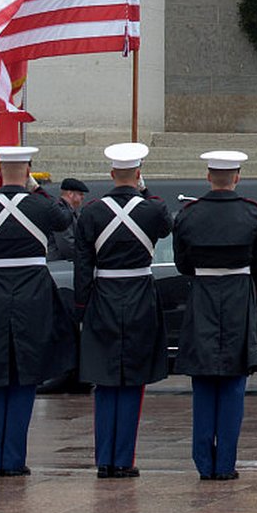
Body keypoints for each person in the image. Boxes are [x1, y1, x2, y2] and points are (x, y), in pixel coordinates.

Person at [0, 144, 74, 476]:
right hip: (32, 297)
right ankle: (13, 458)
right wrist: (39, 189)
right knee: (25, 378)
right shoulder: (40, 206)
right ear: (27, 171)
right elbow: (66, 216)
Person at [72, 142, 173, 478]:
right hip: (140, 294)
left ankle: (105, 459)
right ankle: (123, 459)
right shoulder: (152, 208)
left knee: (104, 379)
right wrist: (146, 191)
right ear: (139, 174)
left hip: (102, 294)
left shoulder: (92, 211)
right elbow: (165, 224)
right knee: (133, 380)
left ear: (112, 174)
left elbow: (83, 263)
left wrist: (83, 305)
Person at [172, 149, 257, 482]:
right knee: (233, 381)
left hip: (202, 292)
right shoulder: (252, 213)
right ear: (237, 178)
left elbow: (182, 264)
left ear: (208, 178)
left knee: (202, 381)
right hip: (238, 293)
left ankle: (204, 461)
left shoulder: (189, 214)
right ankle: (225, 463)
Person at [51, 177, 88, 260]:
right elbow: (66, 244)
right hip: (60, 264)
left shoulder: (68, 212)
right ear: (70, 194)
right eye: (80, 194)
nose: (83, 197)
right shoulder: (61, 213)